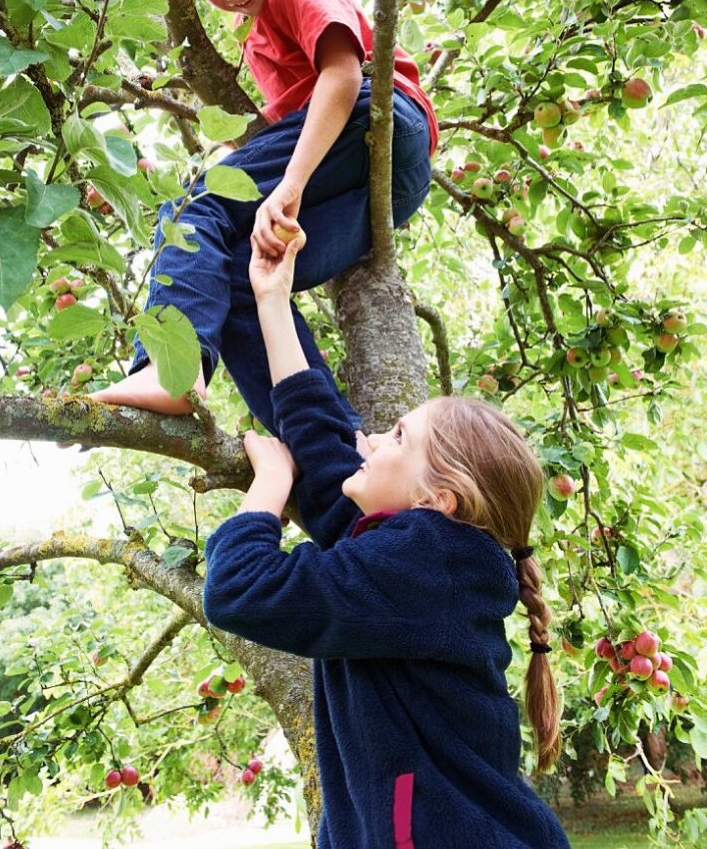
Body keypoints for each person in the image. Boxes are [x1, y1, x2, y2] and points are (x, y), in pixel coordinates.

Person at [203, 232, 570, 849]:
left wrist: (270, 482)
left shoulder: (428, 562)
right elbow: (325, 447)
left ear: (436, 499)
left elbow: (241, 588)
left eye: (397, 436)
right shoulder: (418, 565)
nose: (369, 440)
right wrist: (271, 298)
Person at [92, 0, 438, 434]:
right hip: (383, 190)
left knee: (190, 208)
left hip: (382, 116)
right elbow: (280, 137)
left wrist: (290, 183)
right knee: (245, 277)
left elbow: (343, 77)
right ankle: (328, 444)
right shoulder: (254, 41)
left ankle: (167, 366)